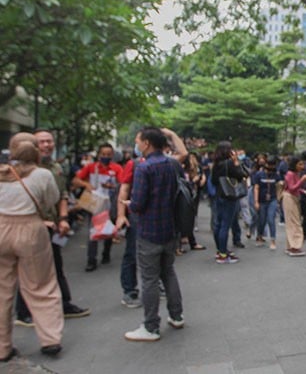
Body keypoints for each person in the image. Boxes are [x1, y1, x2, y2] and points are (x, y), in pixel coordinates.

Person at [15, 129, 89, 326]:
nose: (46, 145)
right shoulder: (19, 171)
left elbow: (62, 195)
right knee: (29, 269)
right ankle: (23, 312)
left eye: (49, 141)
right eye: (42, 142)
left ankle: (64, 304)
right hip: (29, 227)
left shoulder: (55, 167)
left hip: (53, 226)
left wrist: (63, 218)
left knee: (56, 265)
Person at [0, 133, 65, 361]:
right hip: (31, 229)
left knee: (2, 289)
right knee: (41, 285)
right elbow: (51, 201)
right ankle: (50, 339)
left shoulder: (2, 173)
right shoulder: (43, 175)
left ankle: (2, 347)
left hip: (1, 228)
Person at [123, 127, 184, 342]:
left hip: (149, 230)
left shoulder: (144, 167)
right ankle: (177, 315)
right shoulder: (172, 164)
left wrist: (129, 205)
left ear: (147, 143)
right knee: (168, 272)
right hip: (170, 229)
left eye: (138, 141)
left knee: (149, 279)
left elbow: (139, 203)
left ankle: (151, 326)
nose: (137, 144)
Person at [73, 143, 123, 271]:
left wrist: (113, 187)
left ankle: (106, 251)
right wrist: (86, 185)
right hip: (94, 202)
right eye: (103, 154)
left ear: (112, 155)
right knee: (93, 230)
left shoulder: (117, 168)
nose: (106, 156)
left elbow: (122, 183)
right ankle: (91, 259)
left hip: (110, 202)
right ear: (99, 154)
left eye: (108, 154)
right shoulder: (91, 167)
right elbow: (76, 180)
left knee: (108, 227)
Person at [210, 141, 247, 264]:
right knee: (225, 225)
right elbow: (242, 175)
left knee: (218, 224)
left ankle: (220, 250)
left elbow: (213, 180)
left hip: (219, 195)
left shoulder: (216, 164)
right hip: (229, 196)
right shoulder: (230, 163)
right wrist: (236, 163)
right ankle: (223, 254)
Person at [282, 156, 306, 256]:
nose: (302, 166)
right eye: (300, 164)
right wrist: (302, 180)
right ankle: (295, 246)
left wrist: (302, 190)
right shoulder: (290, 174)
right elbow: (292, 188)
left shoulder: (295, 174)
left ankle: (291, 245)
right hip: (290, 198)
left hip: (293, 197)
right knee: (295, 222)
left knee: (292, 221)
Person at [252, 154, 280, 249]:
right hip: (262, 200)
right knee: (262, 220)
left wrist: (278, 198)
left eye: (272, 165)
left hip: (272, 199)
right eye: (269, 165)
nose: (271, 167)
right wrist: (256, 201)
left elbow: (278, 186)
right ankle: (259, 236)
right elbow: (256, 188)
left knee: (271, 219)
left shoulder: (276, 175)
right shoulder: (259, 175)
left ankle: (273, 240)